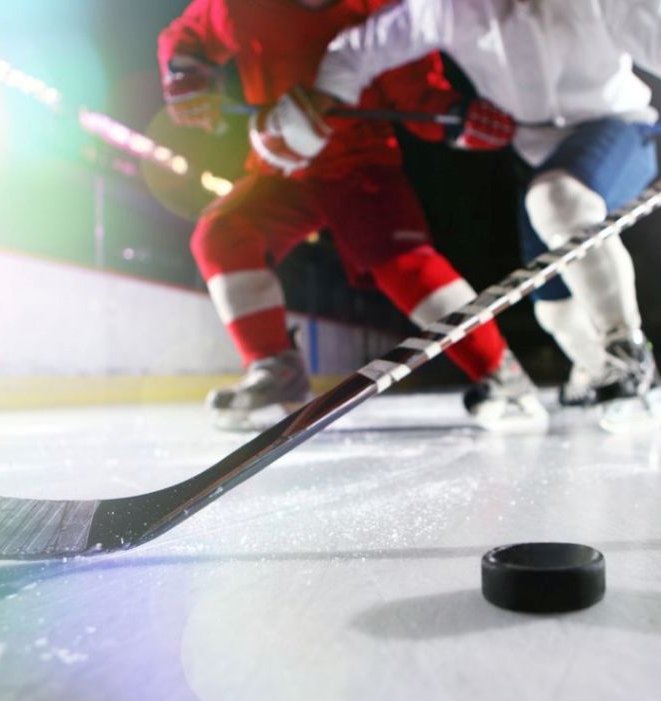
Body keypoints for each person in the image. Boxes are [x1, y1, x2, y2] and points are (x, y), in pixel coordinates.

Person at [254, 0, 661, 432]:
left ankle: (630, 359)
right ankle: (596, 369)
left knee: (557, 202)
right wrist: (321, 100)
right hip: (538, 152)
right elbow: (359, 50)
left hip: (616, 127)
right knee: (555, 307)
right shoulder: (446, 7)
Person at [158, 0, 547, 432]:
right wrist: (184, 73)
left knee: (408, 267)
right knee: (222, 234)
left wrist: (455, 118)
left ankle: (502, 373)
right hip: (282, 168)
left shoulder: (379, 7)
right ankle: (274, 369)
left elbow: (417, 93)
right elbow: (188, 36)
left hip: (361, 167)